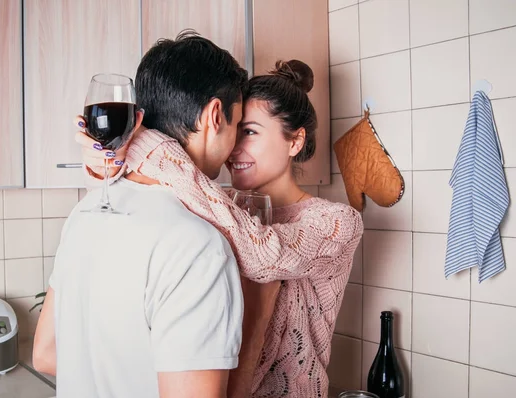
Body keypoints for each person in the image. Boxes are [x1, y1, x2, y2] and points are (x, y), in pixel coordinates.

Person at [78, 58, 364, 397]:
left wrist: (144, 143)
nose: (234, 148)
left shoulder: (337, 223)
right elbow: (151, 193)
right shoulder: (219, 201)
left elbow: (263, 256)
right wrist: (104, 162)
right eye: (236, 129)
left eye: (250, 132)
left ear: (295, 141)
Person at [33, 31, 249, 398]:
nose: (237, 146)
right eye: (239, 127)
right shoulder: (199, 246)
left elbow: (46, 355)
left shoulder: (84, 214)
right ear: (215, 116)